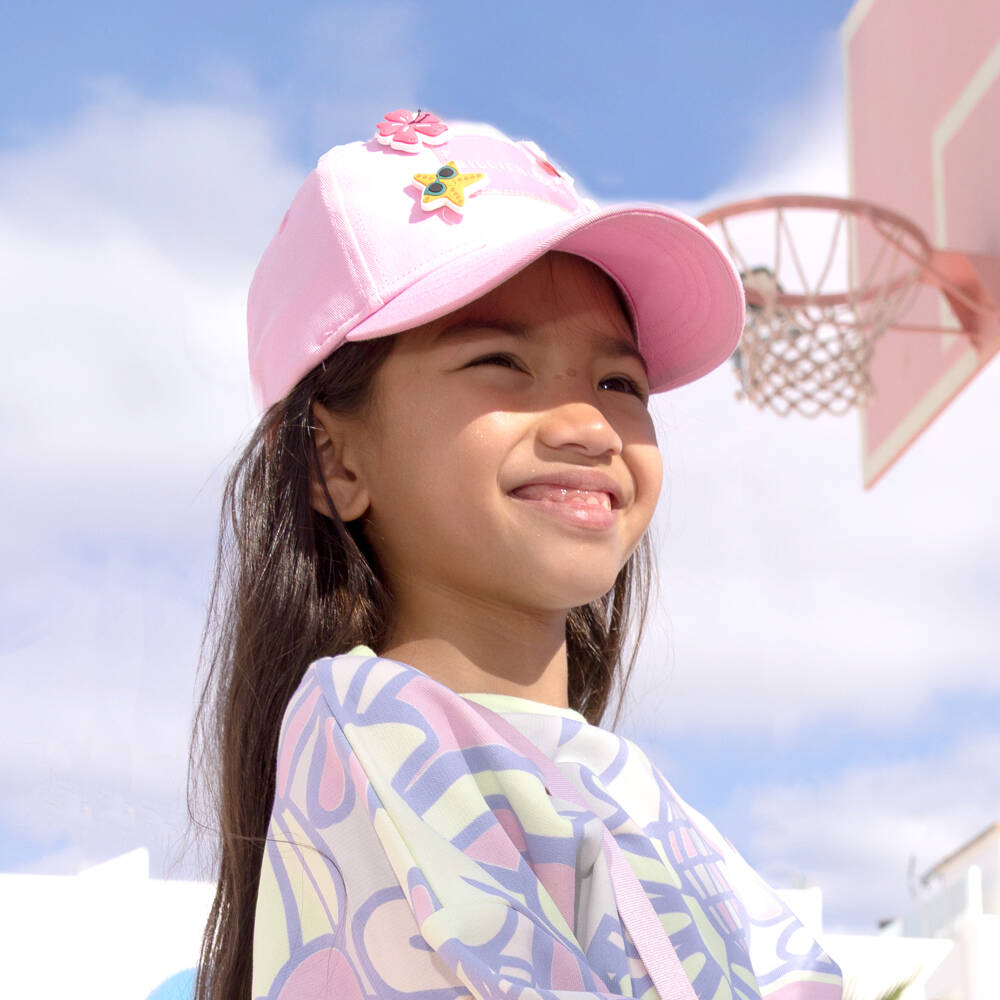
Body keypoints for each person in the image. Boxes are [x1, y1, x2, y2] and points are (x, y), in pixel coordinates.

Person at [191, 109, 844, 1000]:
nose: (588, 425)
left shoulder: (627, 783)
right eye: (500, 360)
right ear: (334, 460)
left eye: (620, 383)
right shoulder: (372, 725)